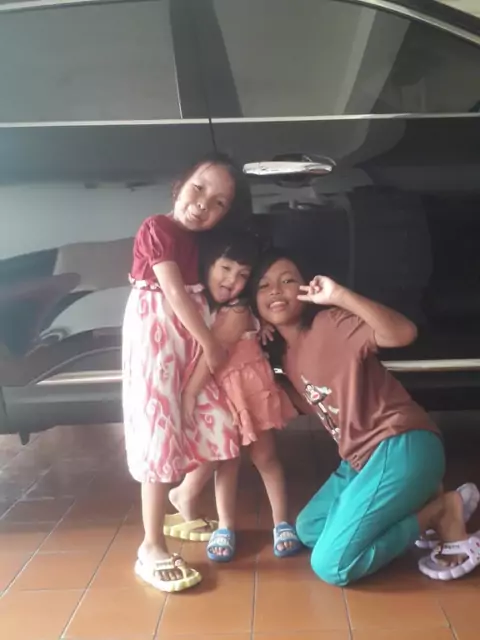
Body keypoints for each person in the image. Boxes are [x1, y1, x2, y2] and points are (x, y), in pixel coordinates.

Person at [251, 249, 480, 585]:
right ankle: (420, 498)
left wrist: (339, 295)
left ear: (305, 289)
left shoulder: (331, 323)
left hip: (402, 443)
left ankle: (438, 512)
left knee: (331, 565)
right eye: (263, 285)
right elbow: (309, 403)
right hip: (361, 461)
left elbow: (403, 333)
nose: (276, 290)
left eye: (287, 281)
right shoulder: (286, 355)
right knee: (309, 528)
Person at [122, 153, 252, 593]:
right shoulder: (156, 228)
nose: (203, 205)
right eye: (199, 189)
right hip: (157, 341)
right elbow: (174, 292)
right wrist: (210, 342)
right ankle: (151, 545)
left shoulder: (204, 246)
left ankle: (184, 498)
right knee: (158, 429)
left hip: (190, 341)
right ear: (180, 186)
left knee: (220, 423)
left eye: (219, 203)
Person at [174, 230, 301, 562]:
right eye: (226, 268)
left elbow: (214, 355)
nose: (233, 280)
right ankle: (226, 526)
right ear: (209, 265)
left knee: (265, 458)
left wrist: (190, 394)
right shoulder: (207, 306)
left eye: (243, 275)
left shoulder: (236, 311)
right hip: (223, 396)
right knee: (227, 463)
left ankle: (281, 523)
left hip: (249, 394)